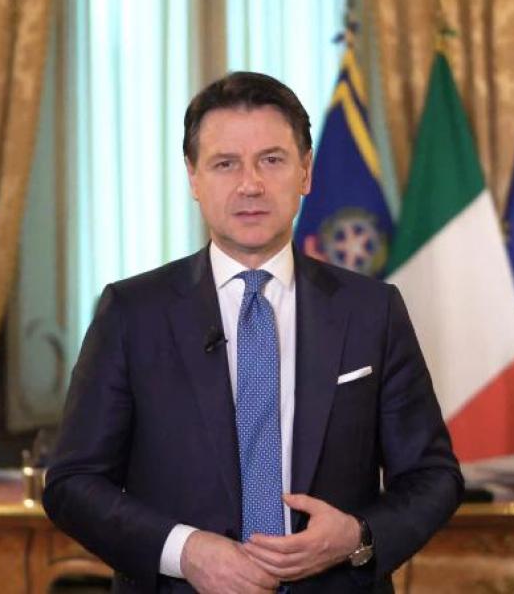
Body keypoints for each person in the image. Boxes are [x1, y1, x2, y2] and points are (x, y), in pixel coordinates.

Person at [43, 72, 463, 593]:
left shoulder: (373, 310)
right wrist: (185, 553)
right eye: (225, 164)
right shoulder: (131, 312)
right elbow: (72, 483)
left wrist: (358, 535)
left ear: (305, 171)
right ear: (193, 177)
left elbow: (433, 476)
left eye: (272, 160)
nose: (250, 185)